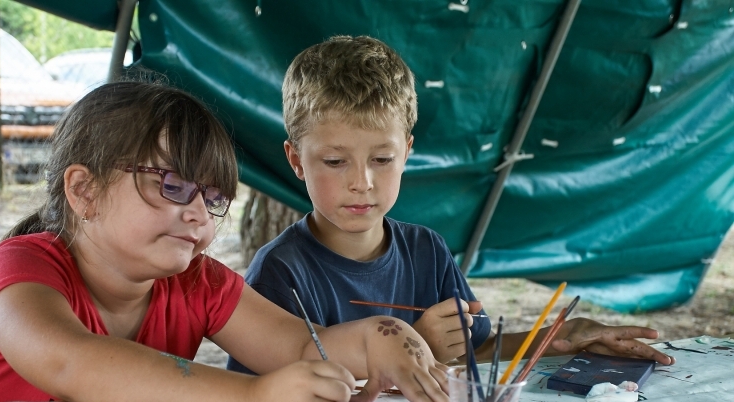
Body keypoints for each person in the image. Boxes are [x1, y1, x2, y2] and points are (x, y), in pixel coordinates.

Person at [0, 81, 451, 402]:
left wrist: (377, 336)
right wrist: (252, 400)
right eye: (172, 186)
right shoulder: (21, 270)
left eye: (212, 195)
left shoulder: (199, 282)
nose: (199, 213)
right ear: (84, 191)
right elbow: (71, 365)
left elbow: (303, 347)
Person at [228, 35, 674, 372]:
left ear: (407, 152)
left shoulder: (426, 251)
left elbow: (475, 350)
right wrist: (411, 351)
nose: (361, 182)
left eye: (382, 159)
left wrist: (558, 338)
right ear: (296, 161)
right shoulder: (279, 275)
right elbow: (268, 396)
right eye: (334, 161)